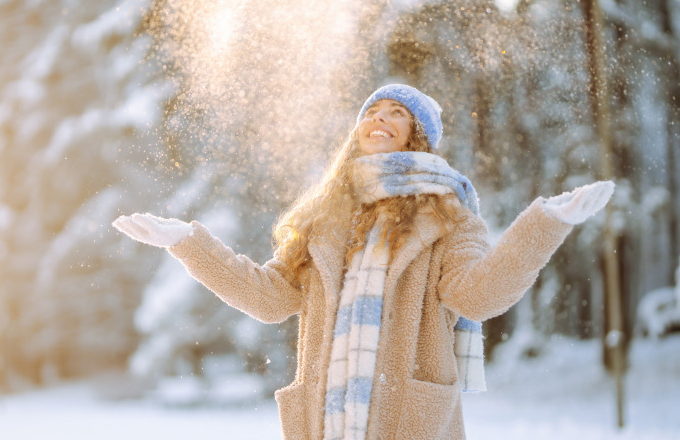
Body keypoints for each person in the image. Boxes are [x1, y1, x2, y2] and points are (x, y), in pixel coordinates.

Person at [113, 84, 614, 440]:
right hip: (326, 422)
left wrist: (546, 224)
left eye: (396, 112)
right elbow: (269, 298)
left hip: (405, 422)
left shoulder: (446, 215)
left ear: (417, 134)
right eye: (372, 112)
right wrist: (188, 243)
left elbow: (477, 296)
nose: (379, 119)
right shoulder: (326, 219)